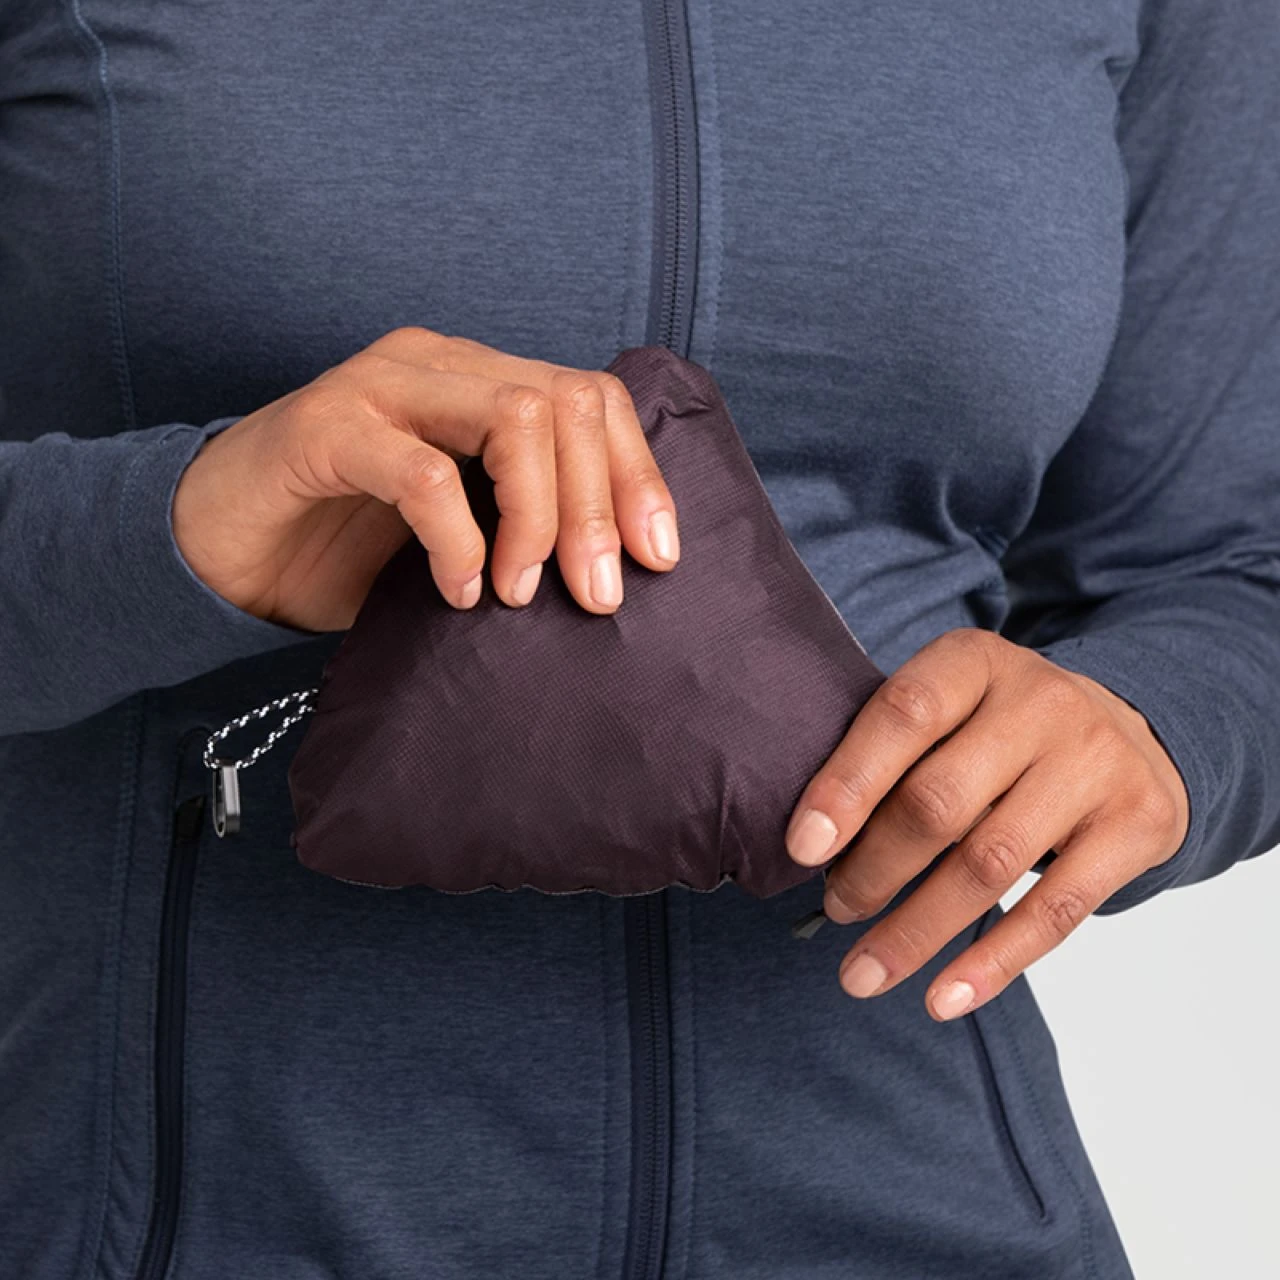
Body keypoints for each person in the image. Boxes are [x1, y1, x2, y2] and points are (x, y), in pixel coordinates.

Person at [2, 1, 1277, 1277]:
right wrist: (162, 531)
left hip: (922, 1213)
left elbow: (1232, 567)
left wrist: (1155, 722)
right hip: (184, 1218)